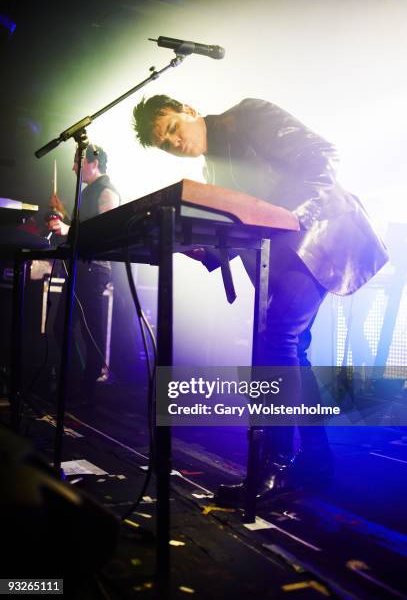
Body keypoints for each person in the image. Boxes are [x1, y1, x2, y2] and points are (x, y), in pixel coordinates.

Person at [132, 95, 389, 504]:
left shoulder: (246, 116)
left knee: (276, 340)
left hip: (321, 235)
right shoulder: (211, 166)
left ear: (190, 110)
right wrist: (202, 249)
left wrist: (292, 217)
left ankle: (278, 462)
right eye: (165, 144)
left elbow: (324, 156)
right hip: (288, 251)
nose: (174, 142)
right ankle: (315, 463)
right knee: (292, 350)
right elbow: (242, 224)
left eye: (173, 129)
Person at [48, 144, 120, 405]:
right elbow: (85, 228)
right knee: (63, 328)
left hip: (94, 269)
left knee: (91, 331)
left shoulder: (107, 192)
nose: (73, 168)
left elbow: (104, 234)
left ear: (93, 162)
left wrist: (68, 228)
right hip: (82, 267)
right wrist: (65, 217)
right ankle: (78, 384)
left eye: (77, 163)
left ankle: (86, 387)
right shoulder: (90, 192)